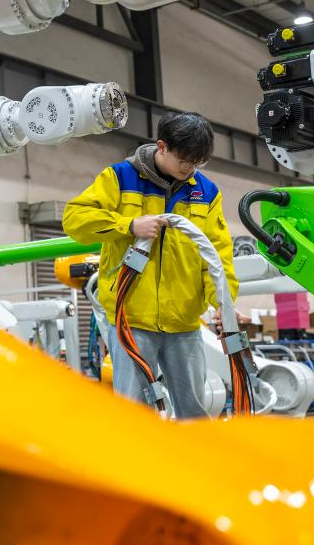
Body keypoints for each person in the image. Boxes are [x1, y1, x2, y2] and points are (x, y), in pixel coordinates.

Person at [63, 112, 237, 419]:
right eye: (184, 159)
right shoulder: (120, 178)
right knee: (135, 413)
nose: (190, 168)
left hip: (184, 322)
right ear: (162, 147)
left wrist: (223, 304)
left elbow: (216, 255)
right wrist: (129, 225)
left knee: (195, 410)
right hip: (132, 320)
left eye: (197, 161)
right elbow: (75, 219)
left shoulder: (206, 192)